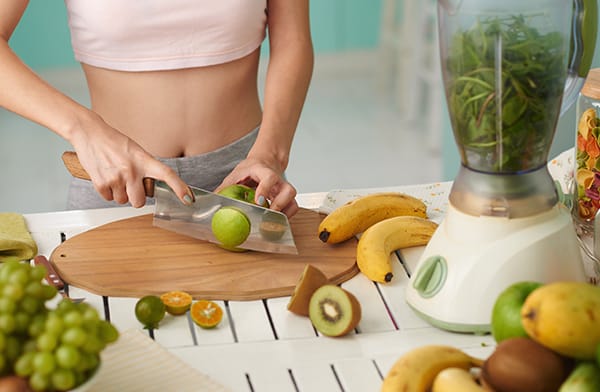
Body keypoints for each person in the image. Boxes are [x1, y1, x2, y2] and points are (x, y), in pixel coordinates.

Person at [0, 1, 313, 218]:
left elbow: (292, 39)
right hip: (117, 182)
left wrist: (270, 154)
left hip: (247, 177)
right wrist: (83, 129)